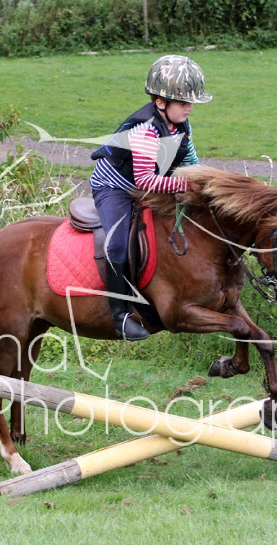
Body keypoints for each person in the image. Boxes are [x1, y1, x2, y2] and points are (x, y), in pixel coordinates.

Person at [89, 55, 212, 341]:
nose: (190, 108)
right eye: (183, 102)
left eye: (191, 102)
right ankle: (120, 316)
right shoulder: (145, 131)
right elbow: (144, 180)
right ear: (160, 102)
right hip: (115, 187)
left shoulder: (182, 125)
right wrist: (183, 184)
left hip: (148, 184)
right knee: (117, 244)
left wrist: (204, 183)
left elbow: (190, 161)